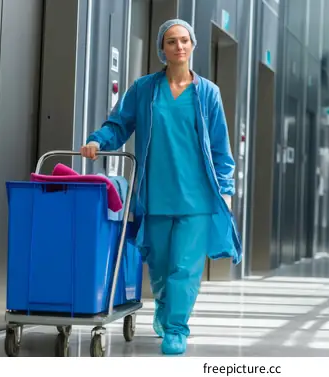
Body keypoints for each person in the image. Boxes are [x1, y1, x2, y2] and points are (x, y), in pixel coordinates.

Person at [80, 19, 242, 355]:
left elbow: (221, 149)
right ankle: (165, 307)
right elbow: (119, 123)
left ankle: (176, 328)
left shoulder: (208, 93)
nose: (179, 47)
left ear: (193, 45)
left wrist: (225, 190)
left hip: (197, 198)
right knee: (160, 265)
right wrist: (98, 140)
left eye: (184, 41)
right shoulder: (144, 89)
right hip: (155, 195)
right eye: (172, 42)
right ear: (162, 48)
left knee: (185, 267)